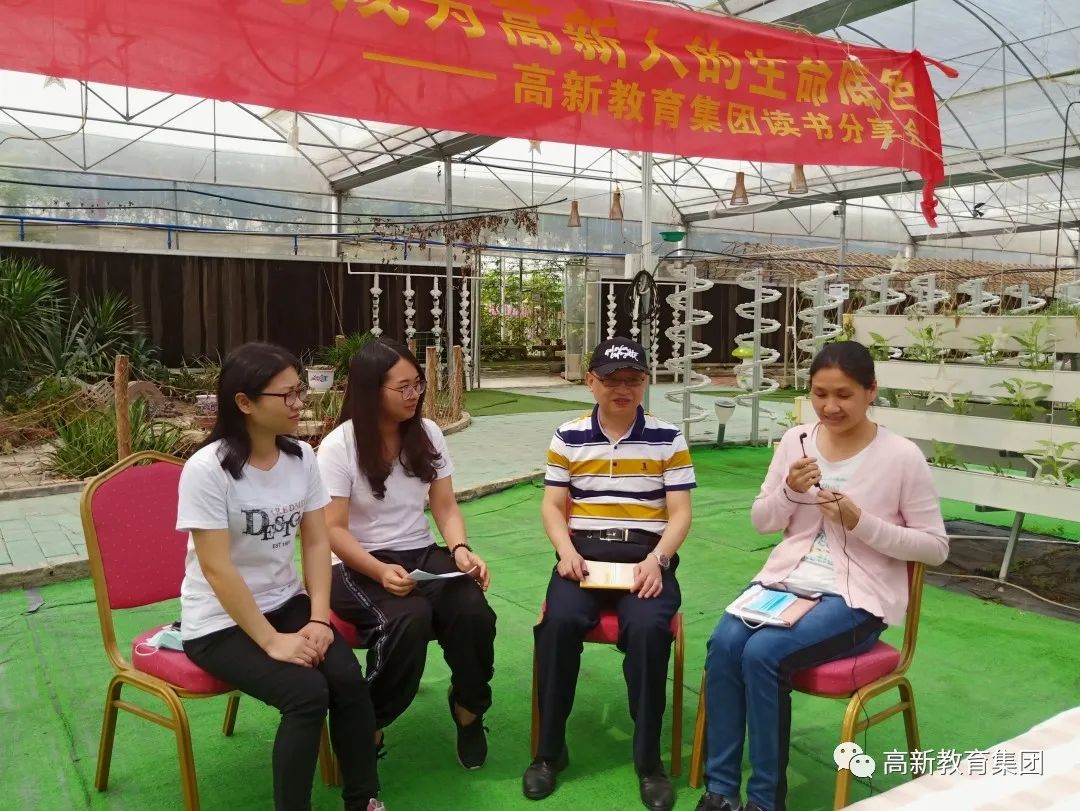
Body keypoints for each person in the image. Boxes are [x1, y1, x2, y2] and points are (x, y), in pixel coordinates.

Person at [695, 341, 949, 811]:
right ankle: (720, 792)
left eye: (844, 395)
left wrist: (861, 522)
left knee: (763, 654)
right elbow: (762, 522)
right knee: (725, 645)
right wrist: (790, 493)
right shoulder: (797, 441)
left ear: (871, 391)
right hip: (785, 583)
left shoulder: (901, 456)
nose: (830, 406)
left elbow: (935, 547)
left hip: (855, 598)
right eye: (820, 394)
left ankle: (765, 800)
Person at [177, 342, 381, 811]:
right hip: (218, 622)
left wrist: (318, 618)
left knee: (347, 679)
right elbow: (216, 567)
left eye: (299, 391)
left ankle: (365, 800)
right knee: (306, 693)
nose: (298, 403)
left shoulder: (301, 457)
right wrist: (272, 642)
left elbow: (316, 542)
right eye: (286, 395)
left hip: (286, 601)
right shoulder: (207, 470)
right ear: (244, 403)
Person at [524, 336, 695, 811]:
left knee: (648, 630)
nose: (623, 389)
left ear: (646, 382)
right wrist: (564, 551)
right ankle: (549, 753)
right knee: (558, 623)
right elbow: (553, 506)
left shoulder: (667, 437)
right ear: (591, 382)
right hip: (582, 556)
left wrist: (658, 560)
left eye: (633, 379)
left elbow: (680, 514)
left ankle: (649, 762)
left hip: (646, 559)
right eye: (612, 380)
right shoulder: (568, 436)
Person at [318, 337, 496, 769]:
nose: (414, 394)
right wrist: (379, 571)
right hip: (354, 563)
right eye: (403, 387)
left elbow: (445, 505)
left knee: (473, 611)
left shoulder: (428, 433)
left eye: (418, 384)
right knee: (408, 619)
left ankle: (468, 709)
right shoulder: (339, 446)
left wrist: (460, 549)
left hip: (419, 551)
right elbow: (332, 530)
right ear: (370, 390)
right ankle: (368, 722)